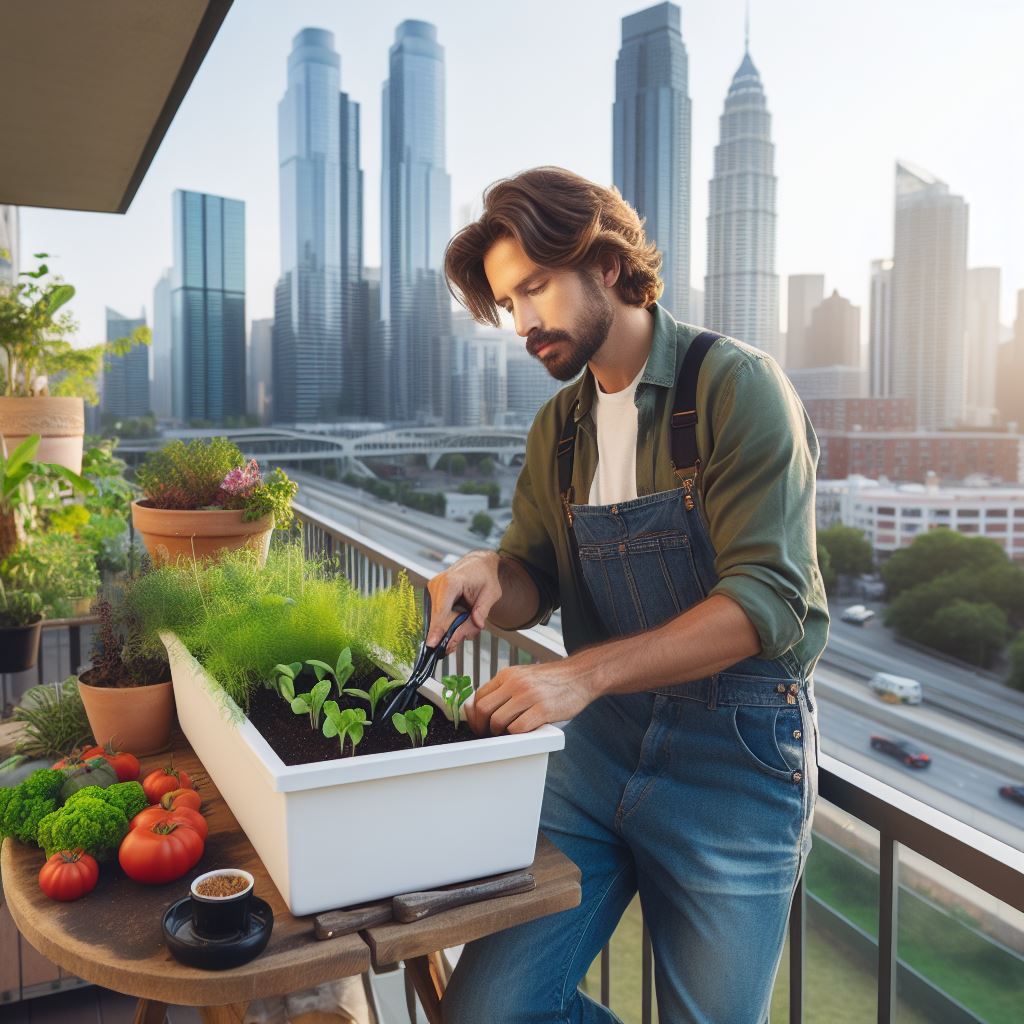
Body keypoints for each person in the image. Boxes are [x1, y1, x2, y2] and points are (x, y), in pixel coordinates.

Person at [430, 166, 828, 1024]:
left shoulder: (736, 388)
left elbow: (766, 602)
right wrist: (490, 578)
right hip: (599, 748)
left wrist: (579, 679)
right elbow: (531, 580)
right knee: (481, 1016)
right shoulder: (558, 427)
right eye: (510, 304)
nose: (526, 323)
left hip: (737, 762)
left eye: (535, 287)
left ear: (606, 264)